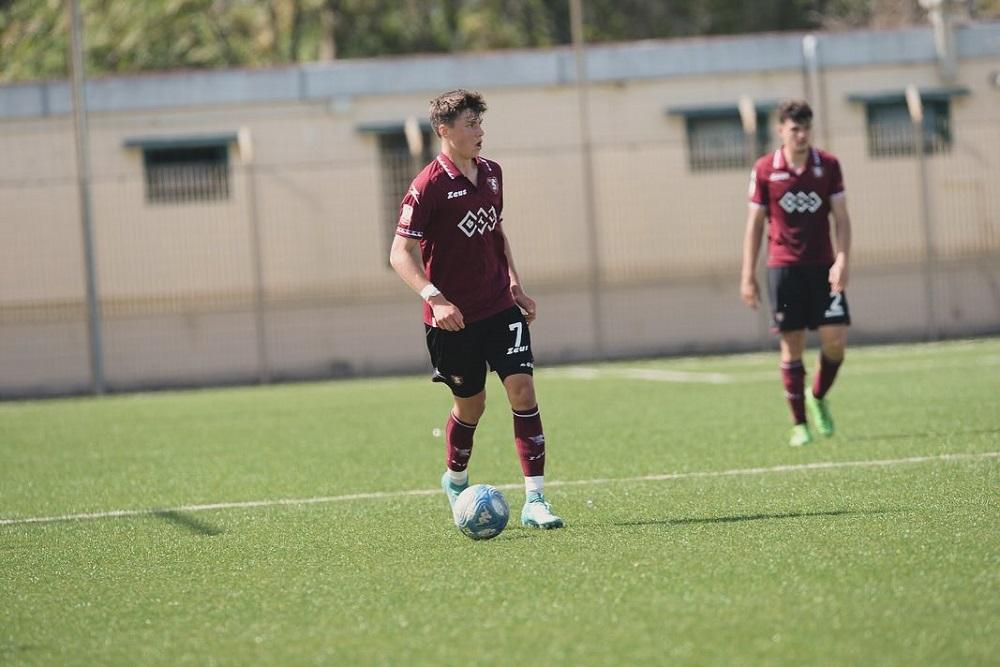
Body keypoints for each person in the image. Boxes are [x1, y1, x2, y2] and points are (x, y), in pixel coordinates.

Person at [388, 89, 564, 529]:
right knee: (472, 406)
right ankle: (456, 478)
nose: (480, 132)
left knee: (522, 390)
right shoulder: (426, 186)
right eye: (471, 125)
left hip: (499, 307)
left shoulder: (492, 173)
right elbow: (399, 253)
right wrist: (435, 298)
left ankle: (536, 501)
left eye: (480, 124)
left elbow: (496, 234)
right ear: (444, 131)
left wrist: (515, 284)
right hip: (452, 321)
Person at [740, 99, 853, 447]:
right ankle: (800, 424)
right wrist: (747, 274)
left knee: (835, 340)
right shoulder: (765, 170)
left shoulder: (828, 165)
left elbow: (842, 217)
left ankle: (817, 395)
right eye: (794, 129)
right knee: (792, 347)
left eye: (806, 128)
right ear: (781, 131)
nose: (801, 135)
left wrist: (842, 259)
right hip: (784, 268)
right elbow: (754, 224)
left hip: (823, 267)